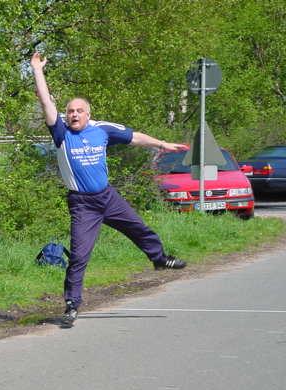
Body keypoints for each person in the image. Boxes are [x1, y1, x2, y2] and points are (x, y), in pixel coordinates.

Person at [30, 52, 187, 327]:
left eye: (79, 110)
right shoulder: (61, 133)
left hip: (107, 197)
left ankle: (159, 259)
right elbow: (45, 101)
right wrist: (37, 70)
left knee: (139, 228)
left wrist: (161, 144)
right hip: (82, 204)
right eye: (70, 111)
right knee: (79, 255)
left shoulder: (101, 129)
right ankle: (71, 305)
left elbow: (134, 137)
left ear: (88, 114)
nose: (74, 114)